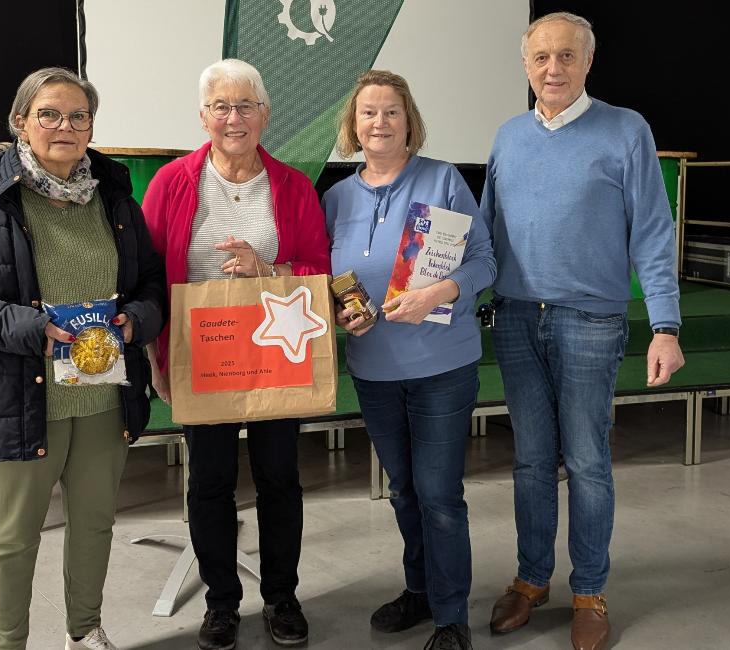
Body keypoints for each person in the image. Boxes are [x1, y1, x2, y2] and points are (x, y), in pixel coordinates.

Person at [0, 67, 165, 650]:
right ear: (21, 122)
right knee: (13, 536)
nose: (64, 127)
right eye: (49, 114)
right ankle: (9, 643)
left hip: (103, 394)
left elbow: (150, 283)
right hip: (18, 395)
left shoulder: (116, 196)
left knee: (96, 524)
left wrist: (135, 321)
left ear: (91, 126)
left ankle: (85, 631)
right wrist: (29, 328)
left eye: (78, 116)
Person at [480, 13, 686, 650]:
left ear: (588, 62)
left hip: (591, 322)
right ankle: (532, 578)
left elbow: (652, 231)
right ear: (525, 65)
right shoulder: (509, 137)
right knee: (532, 462)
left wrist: (665, 326)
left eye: (566, 56)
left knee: (590, 462)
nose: (552, 68)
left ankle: (590, 589)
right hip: (516, 318)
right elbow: (485, 235)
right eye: (541, 57)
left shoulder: (626, 131)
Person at [140, 58, 330, 650]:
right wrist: (156, 358)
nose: (233, 117)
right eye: (220, 106)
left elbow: (319, 271)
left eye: (245, 105)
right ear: (203, 116)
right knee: (210, 480)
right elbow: (146, 275)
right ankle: (222, 603)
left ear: (265, 114)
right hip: (202, 354)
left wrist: (266, 267)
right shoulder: (172, 183)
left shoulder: (294, 186)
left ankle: (282, 597)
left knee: (280, 477)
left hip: (279, 350)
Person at [323, 70, 496, 650]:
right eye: (368, 113)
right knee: (402, 489)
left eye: (391, 111)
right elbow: (329, 284)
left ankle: (452, 620)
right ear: (353, 125)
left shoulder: (443, 180)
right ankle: (420, 591)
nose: (379, 122)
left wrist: (435, 294)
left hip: (442, 367)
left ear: (408, 120)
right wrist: (343, 315)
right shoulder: (336, 198)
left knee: (439, 493)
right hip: (373, 370)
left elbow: (484, 263)